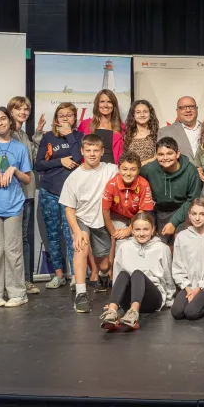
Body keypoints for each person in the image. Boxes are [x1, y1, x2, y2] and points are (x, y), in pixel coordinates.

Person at [0, 106, 33, 308]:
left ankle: (18, 292)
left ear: (10, 121)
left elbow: (27, 178)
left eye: (3, 119)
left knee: (13, 250)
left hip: (14, 205)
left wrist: (14, 169)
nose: (0, 123)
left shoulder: (20, 148)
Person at [61, 134, 118, 312]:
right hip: (82, 219)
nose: (92, 154)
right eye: (88, 150)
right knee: (81, 245)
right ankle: (81, 293)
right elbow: (69, 209)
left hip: (102, 222)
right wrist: (77, 231)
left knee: (103, 264)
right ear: (82, 151)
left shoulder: (111, 169)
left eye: (96, 150)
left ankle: (102, 275)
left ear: (102, 152)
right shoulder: (74, 177)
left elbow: (132, 169)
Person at [35, 102, 83, 290]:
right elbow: (38, 165)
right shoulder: (48, 137)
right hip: (49, 191)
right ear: (55, 119)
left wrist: (69, 135)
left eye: (69, 115)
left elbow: (78, 158)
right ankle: (59, 275)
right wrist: (59, 161)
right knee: (53, 234)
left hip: (71, 194)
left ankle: (76, 275)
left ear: (74, 119)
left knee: (72, 235)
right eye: (61, 115)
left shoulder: (79, 136)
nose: (64, 118)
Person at [99, 212, 170, 331]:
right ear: (131, 230)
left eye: (146, 229)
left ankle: (134, 314)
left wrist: (169, 300)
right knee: (124, 273)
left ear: (153, 229)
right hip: (128, 300)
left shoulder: (162, 248)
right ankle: (112, 312)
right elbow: (117, 276)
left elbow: (168, 276)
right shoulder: (124, 247)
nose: (141, 233)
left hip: (152, 299)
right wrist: (115, 299)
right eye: (137, 229)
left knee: (137, 273)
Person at [8, 96, 43, 296]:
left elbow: (34, 160)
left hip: (27, 193)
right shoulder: (8, 134)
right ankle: (13, 280)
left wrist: (38, 133)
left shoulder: (23, 135)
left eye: (26, 109)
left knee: (24, 238)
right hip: (11, 194)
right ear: (10, 111)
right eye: (18, 108)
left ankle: (26, 280)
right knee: (13, 239)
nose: (23, 112)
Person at [140, 138, 202, 246]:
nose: (165, 158)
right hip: (157, 211)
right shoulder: (149, 169)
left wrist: (173, 222)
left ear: (177, 154)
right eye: (161, 154)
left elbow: (192, 200)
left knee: (180, 239)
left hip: (183, 210)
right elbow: (133, 176)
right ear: (156, 156)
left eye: (169, 153)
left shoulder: (191, 171)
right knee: (155, 242)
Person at [170, 199, 204, 321]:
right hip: (188, 285)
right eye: (194, 214)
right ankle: (194, 299)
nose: (197, 218)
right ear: (189, 215)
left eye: (202, 214)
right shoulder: (182, 236)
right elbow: (178, 266)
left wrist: (198, 289)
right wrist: (188, 288)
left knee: (191, 312)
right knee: (177, 312)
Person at [101, 152, 155, 253]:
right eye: (124, 169)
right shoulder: (111, 185)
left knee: (142, 239)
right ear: (119, 169)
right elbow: (105, 211)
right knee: (122, 242)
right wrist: (113, 233)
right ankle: (122, 267)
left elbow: (143, 209)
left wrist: (129, 229)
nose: (128, 173)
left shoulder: (143, 184)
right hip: (117, 216)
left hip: (137, 215)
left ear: (138, 170)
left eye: (133, 169)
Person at [77, 89, 124, 164]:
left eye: (109, 102)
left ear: (114, 105)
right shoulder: (85, 124)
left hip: (112, 170)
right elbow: (78, 149)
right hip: (90, 169)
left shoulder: (121, 127)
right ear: (97, 104)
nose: (105, 105)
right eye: (102, 101)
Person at [157, 96, 203, 167]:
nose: (188, 110)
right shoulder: (164, 132)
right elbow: (162, 159)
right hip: (178, 176)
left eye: (191, 107)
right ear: (177, 111)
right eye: (183, 108)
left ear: (196, 109)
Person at [122, 100, 159, 166]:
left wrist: (141, 164)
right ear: (133, 115)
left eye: (145, 112)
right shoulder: (126, 135)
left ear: (150, 114)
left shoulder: (157, 134)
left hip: (151, 172)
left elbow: (158, 156)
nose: (142, 115)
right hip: (132, 173)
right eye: (138, 112)